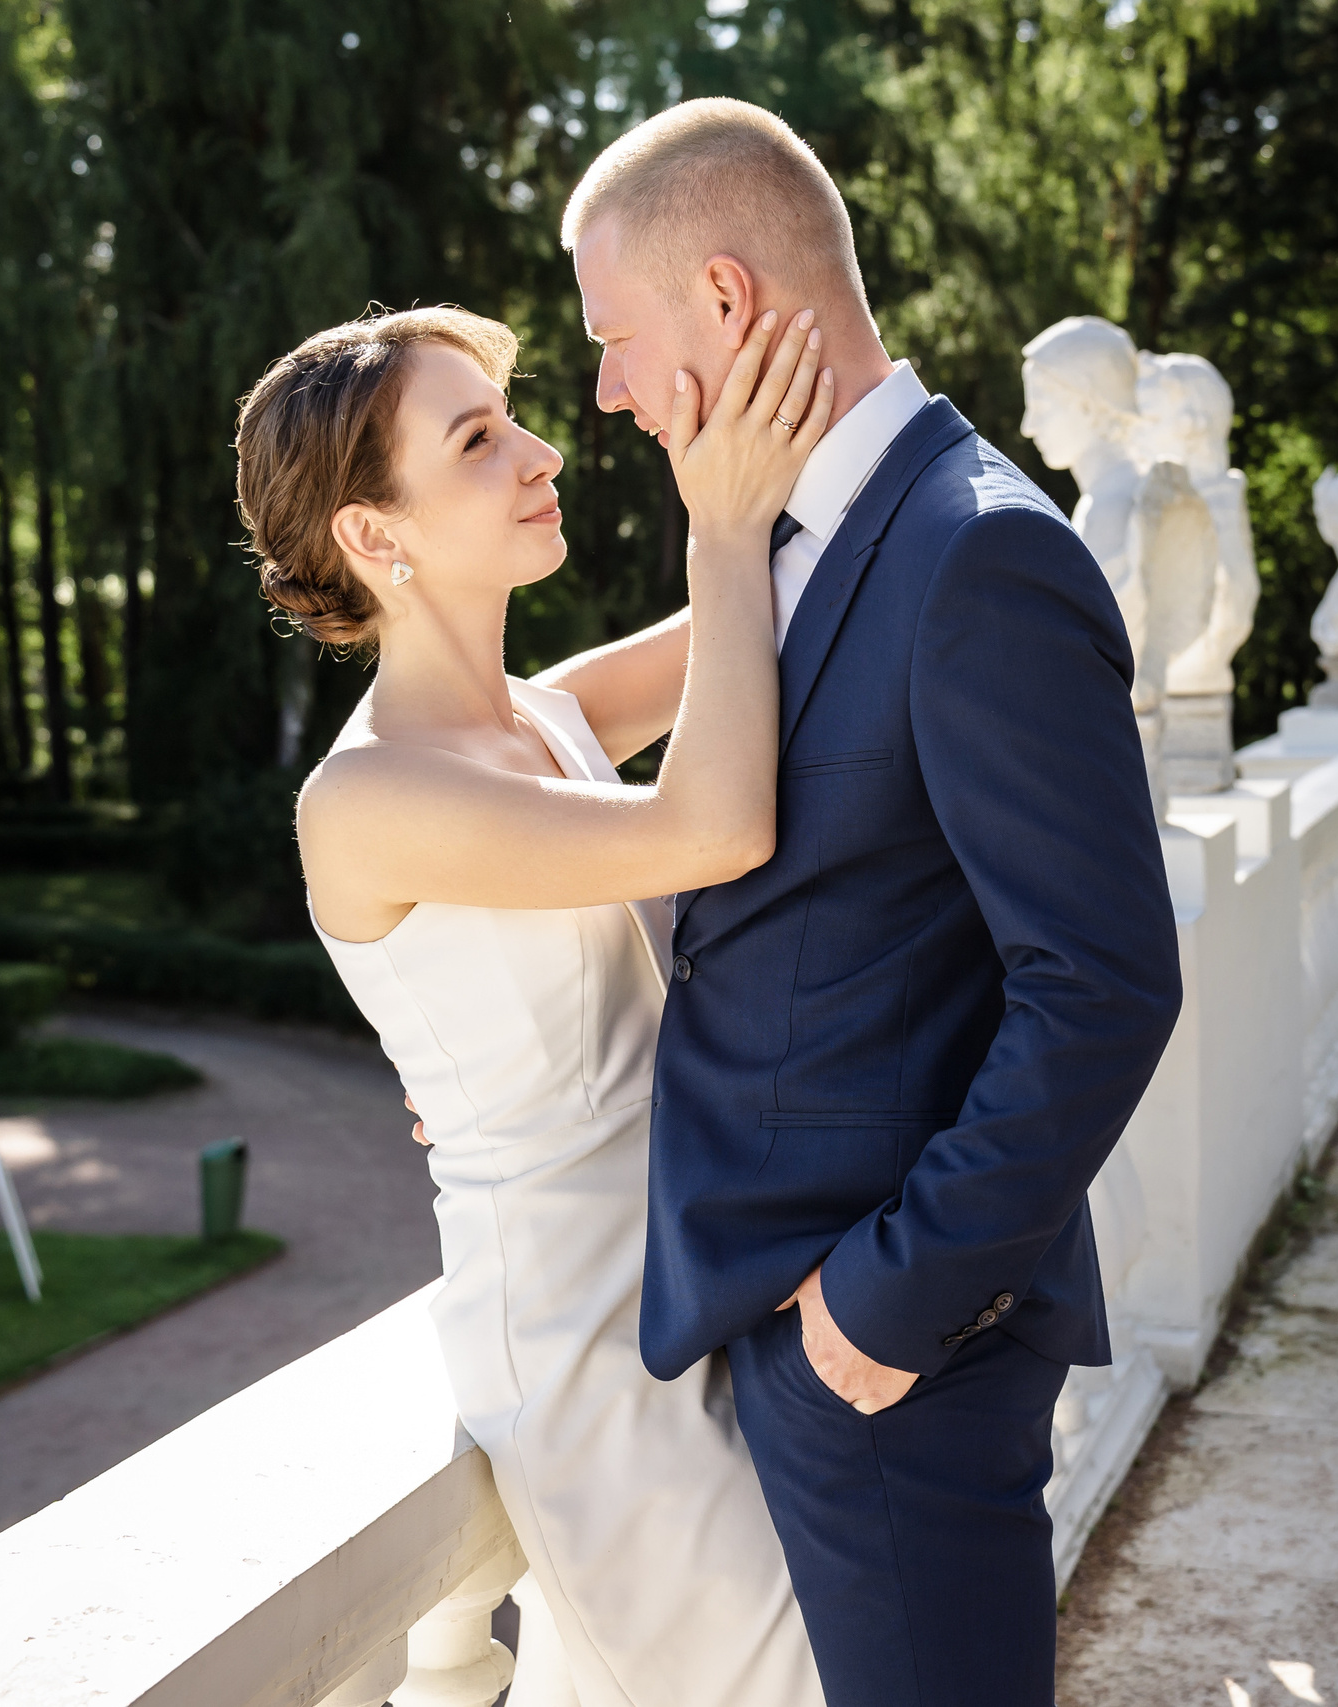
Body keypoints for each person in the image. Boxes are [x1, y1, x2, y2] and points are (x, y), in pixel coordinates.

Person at [566, 99, 1183, 1706]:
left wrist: (883, 1309)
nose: (609, 389)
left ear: (723, 299)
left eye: (616, 337)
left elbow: (1105, 982)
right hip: (804, 1334)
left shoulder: (977, 555)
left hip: (898, 1357)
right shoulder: (793, 536)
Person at [237, 300, 835, 1707]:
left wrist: (754, 407)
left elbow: (791, 604)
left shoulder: (548, 717)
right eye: (479, 438)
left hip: (710, 1254)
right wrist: (721, 522)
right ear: (375, 535)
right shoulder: (366, 800)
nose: (542, 451)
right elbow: (714, 827)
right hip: (580, 1331)